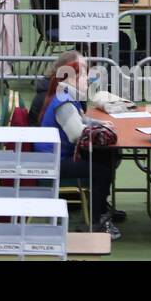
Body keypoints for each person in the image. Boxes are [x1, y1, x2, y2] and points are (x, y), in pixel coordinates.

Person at [36, 51, 121, 238]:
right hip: (53, 162)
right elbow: (77, 135)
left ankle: (99, 210)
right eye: (84, 74)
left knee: (106, 157)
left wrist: (99, 124)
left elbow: (81, 119)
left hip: (57, 157)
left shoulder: (64, 94)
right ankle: (96, 221)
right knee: (102, 169)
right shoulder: (64, 101)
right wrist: (99, 132)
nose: (88, 79)